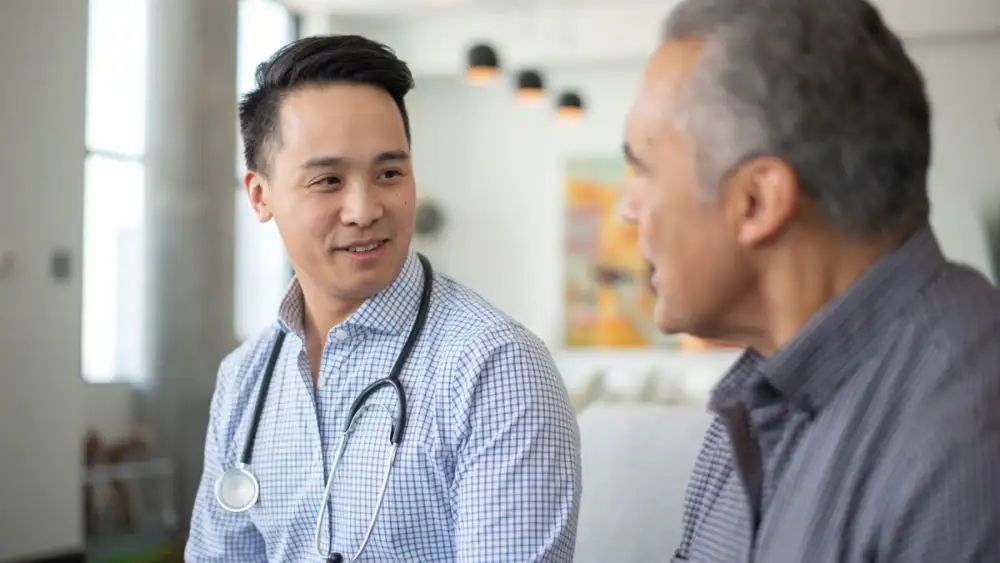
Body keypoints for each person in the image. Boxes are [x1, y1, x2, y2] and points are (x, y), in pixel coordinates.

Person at [619, 0, 1000, 561]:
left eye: (643, 170)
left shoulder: (966, 442)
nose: (627, 209)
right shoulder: (752, 408)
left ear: (756, 201)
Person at [185, 34, 581, 562]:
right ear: (261, 196)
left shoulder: (495, 368)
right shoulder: (245, 379)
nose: (364, 210)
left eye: (389, 174)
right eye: (328, 180)